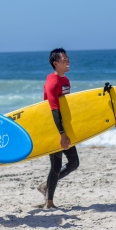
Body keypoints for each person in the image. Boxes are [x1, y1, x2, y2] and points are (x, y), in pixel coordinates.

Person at [37, 48, 80, 208]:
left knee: (74, 163)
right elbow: (54, 109)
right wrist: (61, 133)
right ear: (55, 63)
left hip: (65, 127)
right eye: (64, 60)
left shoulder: (66, 81)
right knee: (56, 164)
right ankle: (49, 202)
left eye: (68, 58)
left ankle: (46, 186)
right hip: (54, 128)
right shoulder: (52, 82)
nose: (68, 61)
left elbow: (67, 108)